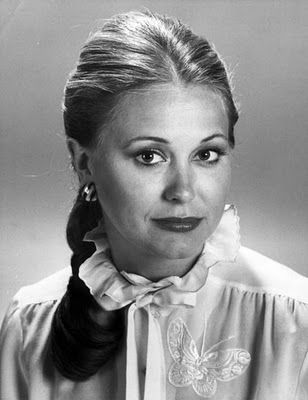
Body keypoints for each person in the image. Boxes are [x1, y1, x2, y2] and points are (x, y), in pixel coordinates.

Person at [0, 9, 307, 400]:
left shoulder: (295, 319)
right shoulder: (30, 325)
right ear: (83, 162)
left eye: (207, 154)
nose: (183, 191)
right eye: (150, 156)